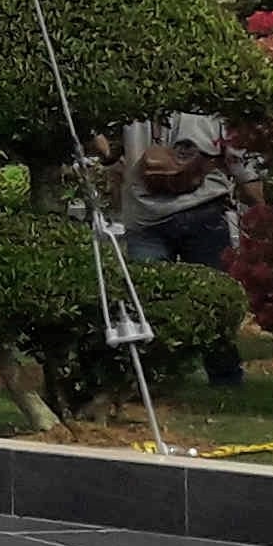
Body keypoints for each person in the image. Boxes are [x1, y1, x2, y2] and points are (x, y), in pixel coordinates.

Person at [114, 112, 246, 387]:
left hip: (147, 215)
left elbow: (104, 148)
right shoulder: (211, 105)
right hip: (201, 209)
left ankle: (151, 378)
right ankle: (224, 376)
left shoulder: (128, 106)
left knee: (149, 301)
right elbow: (236, 158)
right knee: (212, 298)